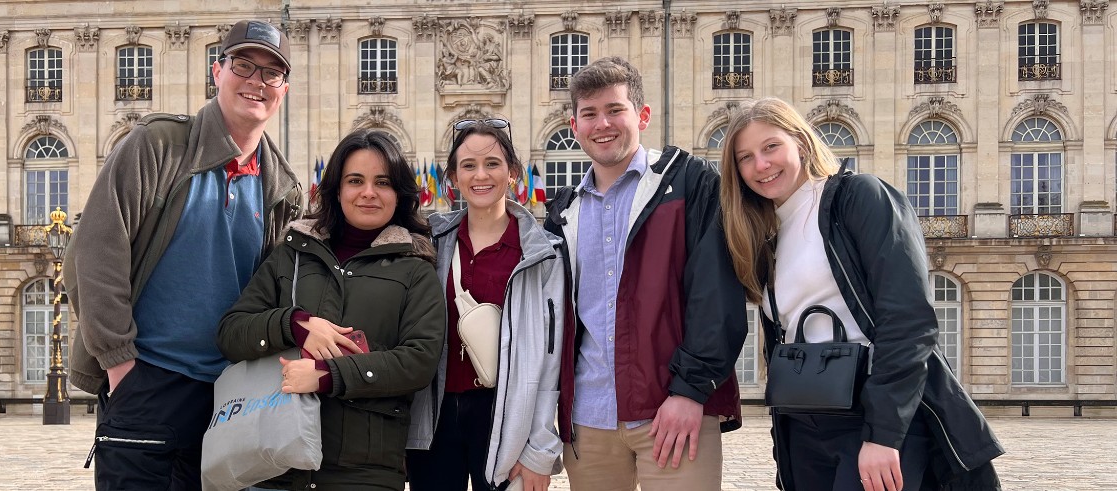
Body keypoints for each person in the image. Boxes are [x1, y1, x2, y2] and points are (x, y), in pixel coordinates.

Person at [63, 19, 304, 489]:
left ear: (283, 90)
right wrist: (120, 365)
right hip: (149, 382)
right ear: (217, 72)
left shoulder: (283, 187)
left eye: (270, 73)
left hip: (232, 399)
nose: (255, 82)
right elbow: (93, 253)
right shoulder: (158, 146)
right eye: (243, 65)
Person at [717, 97, 1004, 491]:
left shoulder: (859, 198)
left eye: (771, 147)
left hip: (874, 413)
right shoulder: (763, 232)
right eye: (745, 157)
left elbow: (908, 321)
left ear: (800, 142)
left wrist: (884, 433)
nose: (761, 165)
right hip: (804, 424)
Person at [543, 56, 748, 491]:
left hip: (672, 412)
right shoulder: (562, 212)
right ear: (573, 125)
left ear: (643, 115)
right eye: (590, 113)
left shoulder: (691, 184)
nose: (603, 124)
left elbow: (715, 298)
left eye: (615, 110)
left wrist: (690, 392)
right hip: (589, 420)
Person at [217, 129, 446, 491]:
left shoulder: (416, 268)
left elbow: (418, 361)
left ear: (398, 194)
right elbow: (231, 332)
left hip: (364, 471)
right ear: (337, 190)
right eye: (355, 180)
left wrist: (328, 375)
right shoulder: (292, 254)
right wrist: (294, 324)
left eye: (382, 182)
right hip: (274, 461)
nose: (368, 192)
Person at [406, 120, 566, 491]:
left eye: (492, 164)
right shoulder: (432, 242)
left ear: (512, 173)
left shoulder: (544, 253)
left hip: (505, 416)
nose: (481, 175)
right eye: (469, 165)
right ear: (453, 178)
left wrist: (540, 450)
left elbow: (551, 358)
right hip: (435, 416)